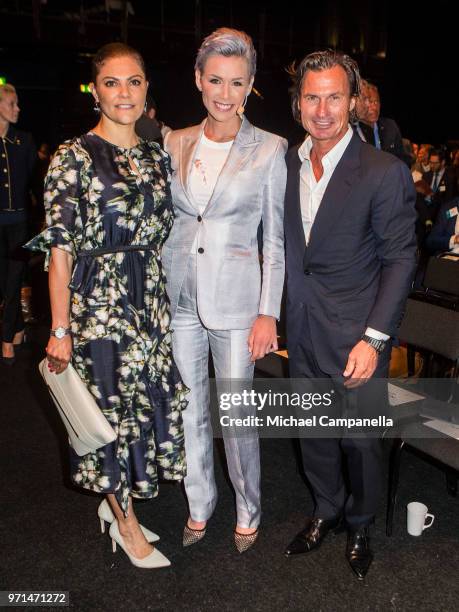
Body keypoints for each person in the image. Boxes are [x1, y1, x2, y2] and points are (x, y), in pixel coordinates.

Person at [26, 43, 187, 569]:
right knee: (107, 416)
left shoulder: (154, 153)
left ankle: (120, 505)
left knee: (141, 410)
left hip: (150, 301)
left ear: (146, 90)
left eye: (134, 81)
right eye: (112, 82)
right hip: (99, 304)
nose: (124, 92)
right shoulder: (73, 156)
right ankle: (125, 523)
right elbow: (59, 250)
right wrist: (59, 328)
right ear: (94, 90)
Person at [283, 50, 416, 579]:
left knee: (359, 442)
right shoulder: (284, 165)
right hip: (303, 327)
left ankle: (360, 522)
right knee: (312, 434)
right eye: (312, 96)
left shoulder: (383, 172)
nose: (322, 109)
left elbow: (401, 259)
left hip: (359, 335)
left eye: (334, 96)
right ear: (297, 104)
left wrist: (375, 338)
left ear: (353, 102)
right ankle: (326, 509)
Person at [162, 27, 286, 552]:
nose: (225, 92)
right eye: (215, 79)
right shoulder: (175, 140)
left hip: (237, 304)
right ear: (198, 79)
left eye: (237, 82)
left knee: (236, 415)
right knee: (190, 406)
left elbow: (275, 241)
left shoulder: (272, 149)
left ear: (250, 84)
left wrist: (268, 313)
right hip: (180, 298)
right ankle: (199, 504)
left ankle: (248, 507)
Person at [0, 83, 36, 364]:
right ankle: (19, 328)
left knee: (14, 280)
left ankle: (6, 339)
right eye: (12, 103)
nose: (18, 109)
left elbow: (34, 182)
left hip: (20, 223)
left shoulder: (24, 141)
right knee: (4, 283)